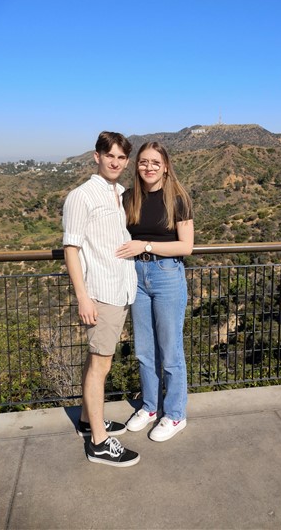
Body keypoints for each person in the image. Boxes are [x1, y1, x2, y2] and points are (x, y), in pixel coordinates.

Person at [62, 131, 140, 467]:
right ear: (97, 156)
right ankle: (99, 443)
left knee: (96, 361)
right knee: (101, 366)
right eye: (110, 156)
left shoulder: (120, 193)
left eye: (121, 157)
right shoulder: (81, 196)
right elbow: (71, 249)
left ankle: (86, 420)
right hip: (101, 292)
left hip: (121, 289)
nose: (115, 162)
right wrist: (83, 297)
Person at [116, 141, 194, 442]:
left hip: (166, 275)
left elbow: (186, 246)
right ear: (137, 166)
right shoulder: (129, 198)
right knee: (144, 349)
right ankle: (150, 407)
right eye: (143, 162)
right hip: (135, 275)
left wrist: (145, 245)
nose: (149, 167)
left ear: (165, 167)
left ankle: (175, 414)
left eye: (155, 162)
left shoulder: (178, 199)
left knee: (170, 350)